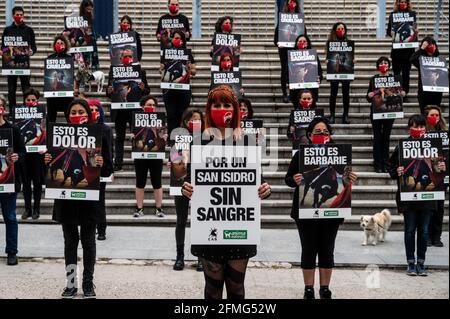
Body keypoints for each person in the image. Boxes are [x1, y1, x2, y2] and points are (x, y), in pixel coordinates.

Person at [181, 85, 272, 299]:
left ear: (235, 109)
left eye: (227, 104)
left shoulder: (246, 141)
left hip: (239, 228)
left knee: (236, 288)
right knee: (212, 290)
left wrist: (264, 188)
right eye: (217, 105)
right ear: (209, 109)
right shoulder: (199, 141)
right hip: (210, 227)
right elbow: (190, 179)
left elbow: (256, 179)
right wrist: (187, 188)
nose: (222, 109)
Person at [44, 99, 113, 298]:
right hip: (66, 199)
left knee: (89, 242)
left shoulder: (98, 135)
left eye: (80, 111)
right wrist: (46, 160)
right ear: (67, 115)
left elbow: (108, 168)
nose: (76, 114)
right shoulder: (59, 135)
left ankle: (88, 283)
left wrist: (101, 162)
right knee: (70, 242)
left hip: (90, 198)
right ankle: (71, 283)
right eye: (72, 111)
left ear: (89, 114)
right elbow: (48, 172)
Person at [285, 117, 358, 299]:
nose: (322, 135)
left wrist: (350, 179)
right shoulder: (300, 155)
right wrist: (294, 179)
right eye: (317, 132)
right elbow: (287, 179)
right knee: (308, 249)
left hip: (331, 212)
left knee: (327, 249)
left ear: (330, 134)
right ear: (309, 135)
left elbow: (345, 179)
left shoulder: (339, 154)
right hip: (306, 212)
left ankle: (325, 288)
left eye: (325, 131)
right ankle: (308, 288)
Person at [387, 114, 446, 276]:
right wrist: (396, 171)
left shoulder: (434, 146)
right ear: (409, 128)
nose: (419, 129)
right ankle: (410, 263)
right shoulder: (402, 146)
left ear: (426, 128)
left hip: (428, 195)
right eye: (415, 126)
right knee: (410, 230)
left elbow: (441, 171)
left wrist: (442, 166)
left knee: (425, 230)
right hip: (409, 197)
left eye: (421, 126)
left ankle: (421, 262)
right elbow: (390, 167)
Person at [170, 108, 204, 271]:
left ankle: (201, 257)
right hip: (182, 183)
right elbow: (175, 160)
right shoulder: (178, 138)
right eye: (191, 119)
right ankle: (179, 257)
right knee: (181, 220)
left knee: (200, 221)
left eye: (197, 119)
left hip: (202, 183)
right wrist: (173, 163)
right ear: (184, 122)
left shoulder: (208, 138)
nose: (194, 122)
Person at [107, 48, 150, 171]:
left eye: (130, 56)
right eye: (125, 56)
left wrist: (143, 88)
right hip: (119, 110)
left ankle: (138, 162)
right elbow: (109, 92)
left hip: (134, 110)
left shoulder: (141, 71)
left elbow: (147, 91)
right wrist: (109, 91)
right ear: (120, 59)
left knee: (136, 136)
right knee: (119, 137)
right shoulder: (114, 71)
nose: (128, 59)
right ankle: (118, 163)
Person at [367, 56, 406, 173]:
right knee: (378, 137)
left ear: (389, 65)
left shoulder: (395, 79)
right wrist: (369, 95)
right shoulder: (374, 79)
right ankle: (378, 163)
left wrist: (402, 93)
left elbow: (399, 93)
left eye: (386, 62)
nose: (384, 64)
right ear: (378, 66)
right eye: (381, 63)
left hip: (390, 113)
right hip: (376, 112)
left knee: (386, 137)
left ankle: (385, 162)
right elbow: (369, 97)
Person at [0, 95, 25, 266]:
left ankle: (12, 251)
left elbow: (23, 153)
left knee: (10, 217)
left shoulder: (13, 129)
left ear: (4, 108)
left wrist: (17, 157)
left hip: (8, 181)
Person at [132, 96, 166, 218]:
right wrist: (133, 136)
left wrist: (164, 136)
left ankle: (159, 209)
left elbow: (162, 136)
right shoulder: (136, 119)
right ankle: (139, 209)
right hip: (140, 155)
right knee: (140, 181)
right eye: (148, 104)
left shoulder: (160, 120)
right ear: (142, 106)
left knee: (157, 182)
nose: (151, 107)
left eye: (153, 105)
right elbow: (134, 134)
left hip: (156, 155)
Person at [160, 29, 196, 135]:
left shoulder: (188, 54)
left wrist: (190, 69)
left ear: (183, 41)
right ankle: (171, 139)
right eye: (176, 38)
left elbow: (194, 72)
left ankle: (181, 138)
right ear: (172, 39)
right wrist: (161, 70)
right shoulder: (166, 53)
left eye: (180, 38)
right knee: (171, 115)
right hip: (169, 89)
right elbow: (161, 70)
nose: (178, 40)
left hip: (183, 90)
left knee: (182, 115)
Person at [1, 6, 36, 107]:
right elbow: (3, 47)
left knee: (26, 89)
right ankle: (12, 113)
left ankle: (27, 111)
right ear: (13, 16)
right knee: (11, 90)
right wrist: (4, 51)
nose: (19, 16)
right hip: (10, 65)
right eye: (17, 15)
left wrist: (31, 51)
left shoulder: (29, 30)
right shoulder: (7, 30)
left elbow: (34, 47)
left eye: (21, 15)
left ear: (23, 16)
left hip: (24, 64)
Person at [88, 99, 113, 240]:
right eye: (90, 109)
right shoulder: (81, 127)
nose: (93, 112)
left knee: (99, 200)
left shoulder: (106, 129)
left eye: (96, 109)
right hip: (85, 168)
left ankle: (101, 228)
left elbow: (109, 150)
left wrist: (109, 168)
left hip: (100, 169)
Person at [19, 89, 46, 220]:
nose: (30, 102)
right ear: (24, 101)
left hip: (37, 153)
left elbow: (45, 131)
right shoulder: (19, 114)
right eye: (28, 100)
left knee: (37, 182)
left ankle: (36, 209)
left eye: (33, 100)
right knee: (25, 182)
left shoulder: (42, 114)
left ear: (37, 101)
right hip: (24, 153)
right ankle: (27, 209)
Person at [424, 105, 448, 247]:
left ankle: (436, 236)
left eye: (437, 115)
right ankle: (426, 236)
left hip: (442, 175)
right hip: (427, 174)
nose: (435, 118)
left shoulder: (446, 133)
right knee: (428, 207)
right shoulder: (423, 133)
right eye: (432, 115)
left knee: (439, 207)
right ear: (426, 117)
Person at [387, 0, 418, 101]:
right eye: (401, 1)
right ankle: (397, 92)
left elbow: (413, 29)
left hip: (408, 50)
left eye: (405, 1)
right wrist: (392, 33)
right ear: (398, 3)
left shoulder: (412, 15)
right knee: (396, 73)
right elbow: (389, 31)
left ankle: (405, 94)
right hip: (397, 50)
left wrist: (416, 32)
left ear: (408, 3)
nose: (403, 3)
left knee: (406, 74)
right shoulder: (393, 15)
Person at [274, 0, 304, 103]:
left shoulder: (299, 17)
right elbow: (277, 32)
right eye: (290, 1)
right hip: (284, 48)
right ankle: (284, 93)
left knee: (295, 68)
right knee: (284, 69)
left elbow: (304, 32)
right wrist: (277, 42)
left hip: (296, 47)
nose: (292, 4)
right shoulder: (283, 17)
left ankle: (293, 92)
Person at [327, 22, 352, 124]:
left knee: (346, 94)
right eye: (338, 28)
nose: (341, 30)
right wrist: (327, 60)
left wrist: (353, 61)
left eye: (342, 28)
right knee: (333, 93)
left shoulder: (349, 42)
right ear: (335, 30)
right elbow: (329, 56)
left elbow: (350, 56)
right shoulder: (330, 42)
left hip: (345, 70)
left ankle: (345, 115)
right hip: (335, 70)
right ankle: (332, 115)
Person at [410, 36, 443, 114]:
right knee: (424, 114)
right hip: (424, 93)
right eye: (428, 45)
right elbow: (412, 59)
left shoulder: (440, 60)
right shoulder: (421, 60)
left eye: (432, 44)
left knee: (435, 113)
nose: (431, 47)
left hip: (437, 93)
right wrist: (421, 48)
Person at [46, 35, 74, 123]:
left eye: (61, 43)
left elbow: (70, 75)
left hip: (66, 94)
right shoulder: (50, 58)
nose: (59, 44)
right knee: (51, 117)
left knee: (68, 115)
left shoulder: (69, 58)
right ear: (54, 45)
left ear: (65, 45)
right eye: (57, 43)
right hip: (52, 95)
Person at [289, 34, 322, 106]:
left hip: (311, 90)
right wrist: (289, 80)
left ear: (308, 43)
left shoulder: (313, 55)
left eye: (304, 41)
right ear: (296, 43)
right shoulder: (290, 56)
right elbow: (286, 72)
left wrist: (319, 79)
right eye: (300, 41)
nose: (302, 42)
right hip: (296, 91)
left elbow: (319, 71)